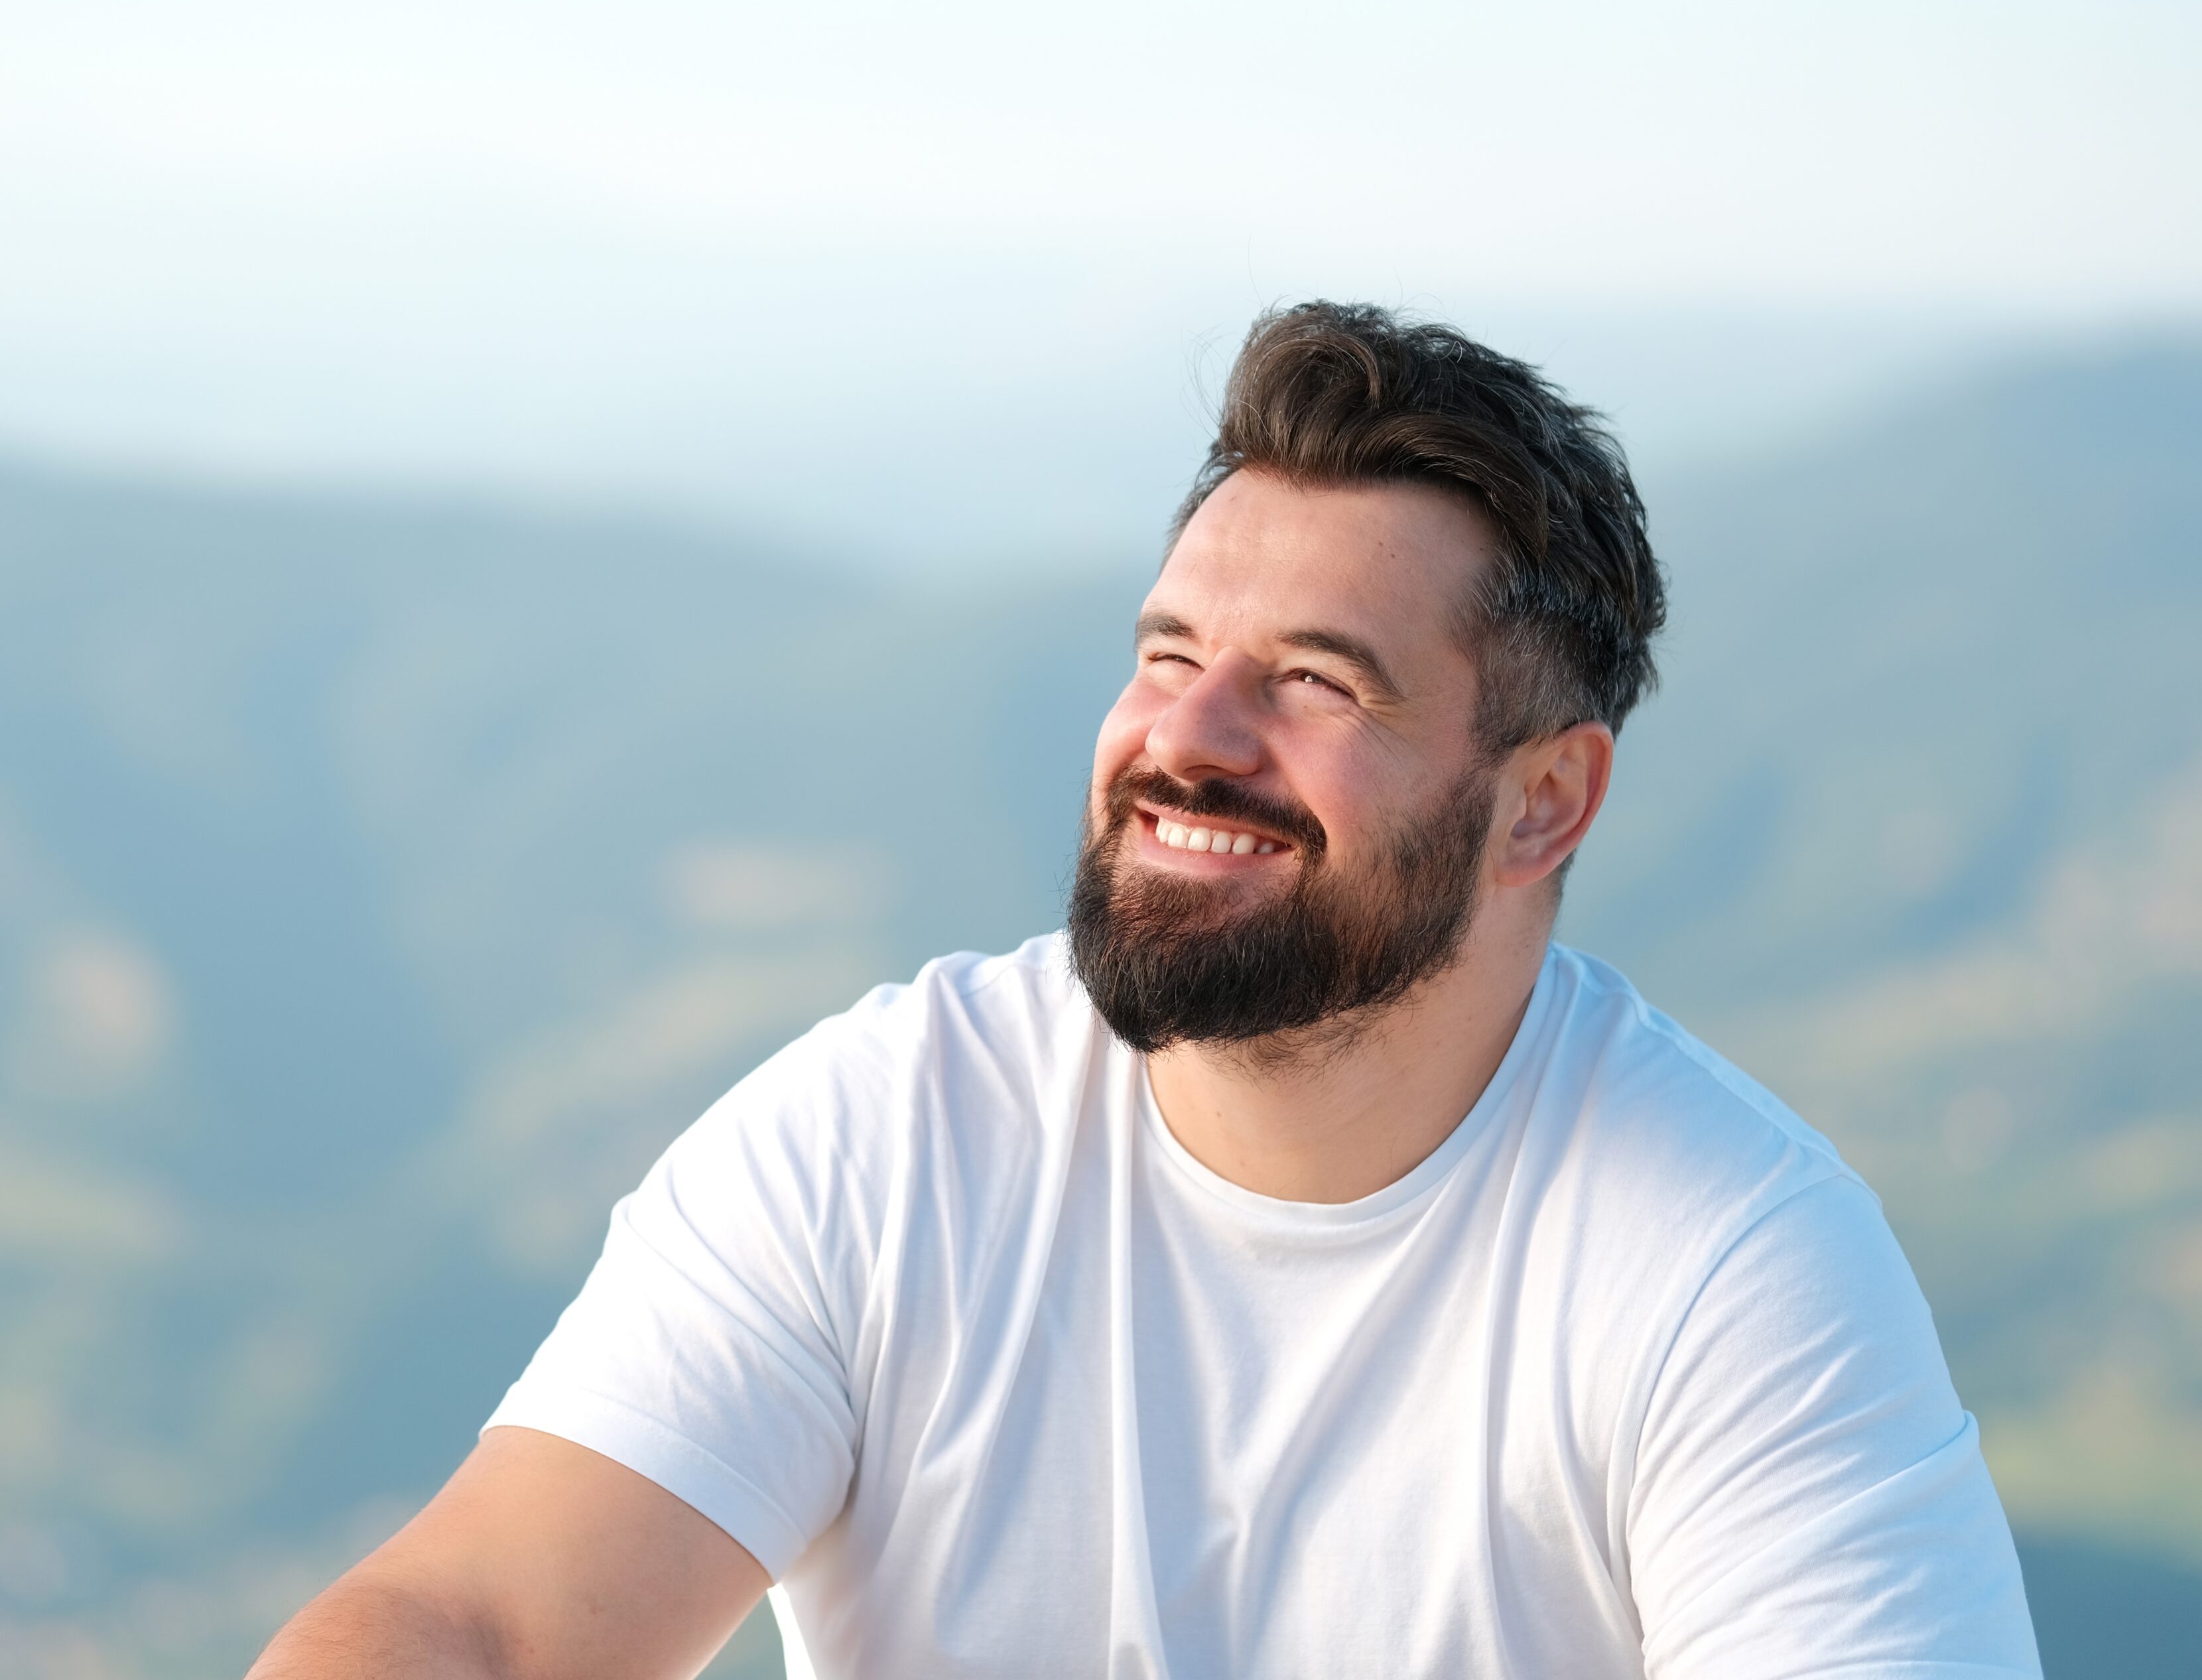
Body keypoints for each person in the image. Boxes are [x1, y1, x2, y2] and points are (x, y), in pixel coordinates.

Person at [248, 303, 2043, 1679]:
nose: (1186, 737)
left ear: (1543, 802)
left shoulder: (1731, 1267)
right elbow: (473, 1623)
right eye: (1168, 654)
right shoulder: (890, 1131)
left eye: (1316, 682)